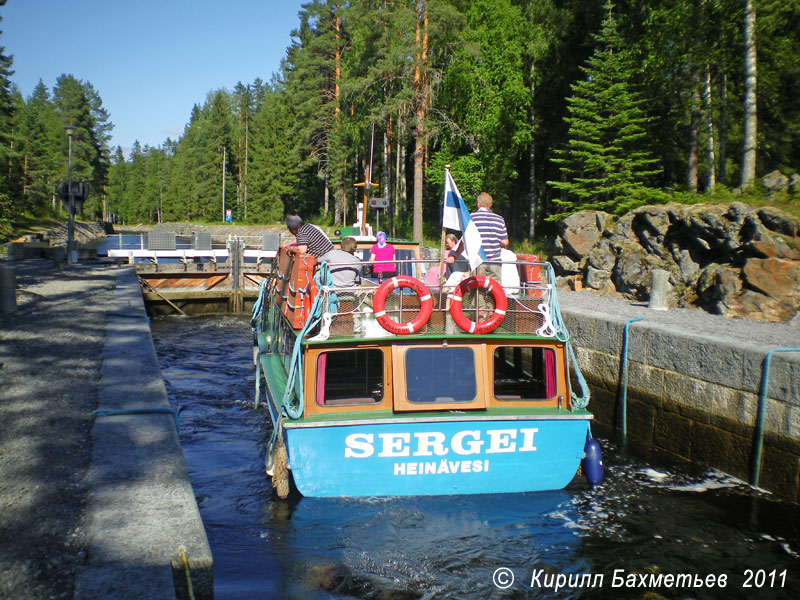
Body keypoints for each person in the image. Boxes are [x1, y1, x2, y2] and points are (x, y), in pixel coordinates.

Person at [470, 192, 508, 281]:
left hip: (478, 261)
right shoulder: (499, 219)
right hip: (495, 261)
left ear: (478, 204)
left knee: (478, 290)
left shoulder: (471, 218)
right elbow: (505, 242)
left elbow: (466, 239)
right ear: (490, 205)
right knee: (495, 289)